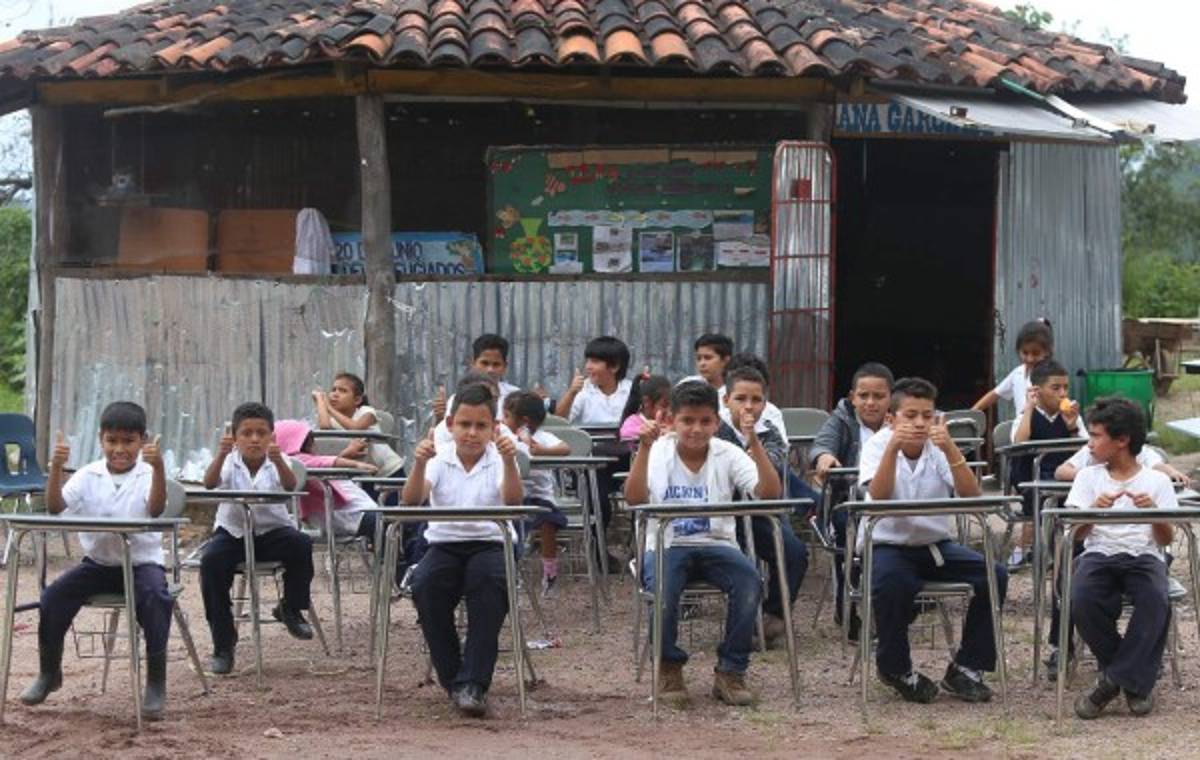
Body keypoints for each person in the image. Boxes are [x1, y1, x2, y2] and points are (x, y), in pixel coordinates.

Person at [624, 381, 782, 707]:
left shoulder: (729, 452)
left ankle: (731, 671)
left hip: (718, 543)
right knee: (664, 591)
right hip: (667, 543)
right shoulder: (657, 451)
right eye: (687, 421)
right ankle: (669, 668)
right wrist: (643, 448)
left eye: (705, 421)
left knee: (750, 581)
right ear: (672, 420)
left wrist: (755, 443)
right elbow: (634, 498)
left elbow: (769, 493)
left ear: (717, 423)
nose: (696, 429)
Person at [20, 402, 173, 720]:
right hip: (99, 565)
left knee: (157, 597)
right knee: (53, 597)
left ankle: (156, 683)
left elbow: (156, 510)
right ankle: (49, 673)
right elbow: (55, 508)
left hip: (142, 564)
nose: (119, 449)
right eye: (112, 441)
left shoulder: (148, 473)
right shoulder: (88, 474)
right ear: (101, 439)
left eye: (128, 442)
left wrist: (158, 468)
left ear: (142, 441)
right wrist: (56, 469)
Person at [859, 377, 1007, 704]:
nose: (919, 424)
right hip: (889, 545)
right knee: (892, 583)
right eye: (910, 415)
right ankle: (896, 668)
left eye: (927, 416)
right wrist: (894, 447)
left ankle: (966, 668)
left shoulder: (938, 447)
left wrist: (951, 447)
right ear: (891, 419)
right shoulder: (878, 445)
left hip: (935, 546)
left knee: (994, 574)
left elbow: (971, 495)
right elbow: (878, 498)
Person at [401, 384, 524, 717]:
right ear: (451, 424)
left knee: (489, 586)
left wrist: (511, 461)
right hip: (444, 545)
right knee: (425, 586)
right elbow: (411, 500)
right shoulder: (438, 457)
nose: (472, 433)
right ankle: (455, 679)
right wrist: (418, 463)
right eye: (465, 425)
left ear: (493, 428)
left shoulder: (501, 456)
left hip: (491, 544)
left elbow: (513, 502)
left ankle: (474, 684)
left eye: (481, 426)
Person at [1068, 397, 1179, 719]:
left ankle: (1111, 681)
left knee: (1156, 599)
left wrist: (1155, 515)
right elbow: (1077, 534)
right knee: (1082, 599)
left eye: (1096, 436)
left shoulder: (1156, 481)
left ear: (1122, 441)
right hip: (1099, 553)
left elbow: (1165, 540)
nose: (1089, 444)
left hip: (1144, 555)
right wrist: (1093, 512)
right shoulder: (1088, 478)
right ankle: (1133, 681)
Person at [200, 402, 314, 675]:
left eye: (261, 433)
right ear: (235, 437)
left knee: (301, 544)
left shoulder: (278, 459)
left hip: (271, 532)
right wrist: (220, 454)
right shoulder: (229, 461)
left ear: (271, 436)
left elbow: (290, 487)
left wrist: (277, 460)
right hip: (233, 533)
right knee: (211, 562)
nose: (254, 439)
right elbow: (209, 483)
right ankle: (223, 644)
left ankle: (290, 607)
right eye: (246, 433)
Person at [715, 366, 808, 649]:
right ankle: (740, 626)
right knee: (743, 567)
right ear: (726, 400)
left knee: (794, 553)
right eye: (741, 399)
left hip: (760, 514)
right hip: (723, 515)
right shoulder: (712, 429)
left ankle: (773, 616)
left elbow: (770, 472)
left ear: (765, 404)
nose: (748, 406)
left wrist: (752, 440)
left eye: (756, 400)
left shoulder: (771, 434)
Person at [808, 361, 894, 635]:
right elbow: (822, 444)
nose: (871, 403)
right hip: (849, 502)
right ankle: (848, 604)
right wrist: (824, 457)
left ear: (890, 398)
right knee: (846, 530)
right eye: (864, 396)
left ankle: (895, 600)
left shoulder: (902, 421)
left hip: (891, 503)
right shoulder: (841, 420)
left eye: (879, 396)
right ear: (852, 397)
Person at [1007, 359, 1084, 570]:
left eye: (1065, 387)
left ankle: (1075, 554)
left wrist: (1072, 429)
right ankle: (1052, 553)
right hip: (1033, 479)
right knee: (1047, 506)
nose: (1062, 393)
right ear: (1037, 391)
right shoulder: (1025, 416)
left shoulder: (1072, 417)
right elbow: (1019, 444)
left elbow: (1085, 453)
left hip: (1064, 478)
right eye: (1055, 388)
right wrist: (1029, 408)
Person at [502, 391, 571, 596]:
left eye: (507, 416)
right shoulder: (505, 437)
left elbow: (565, 448)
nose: (503, 420)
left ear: (524, 421)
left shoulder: (543, 437)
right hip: (513, 498)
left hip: (541, 498)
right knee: (510, 526)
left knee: (549, 522)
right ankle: (511, 571)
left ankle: (550, 572)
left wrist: (541, 451)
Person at [312, 371, 405, 479]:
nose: (335, 394)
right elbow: (325, 427)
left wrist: (329, 408)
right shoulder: (333, 421)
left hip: (390, 472)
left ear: (357, 400)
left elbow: (356, 428)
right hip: (364, 473)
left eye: (343, 391)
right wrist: (320, 401)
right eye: (333, 390)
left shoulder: (366, 412)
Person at [972, 318, 1053, 418]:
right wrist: (972, 413)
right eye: (1025, 353)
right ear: (1018, 350)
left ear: (1047, 352)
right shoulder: (1018, 373)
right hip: (1020, 431)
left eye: (1035, 353)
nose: (1030, 358)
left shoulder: (1051, 376)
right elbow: (994, 394)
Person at [432, 333, 523, 421]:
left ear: (504, 367)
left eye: (496, 364)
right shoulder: (458, 399)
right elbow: (447, 433)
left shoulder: (515, 397)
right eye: (484, 363)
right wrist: (440, 418)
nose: (490, 370)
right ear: (473, 363)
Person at [619, 374, 672, 443]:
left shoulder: (669, 421)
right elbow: (625, 433)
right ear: (647, 402)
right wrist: (648, 431)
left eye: (671, 406)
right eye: (664, 405)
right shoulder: (633, 421)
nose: (668, 411)